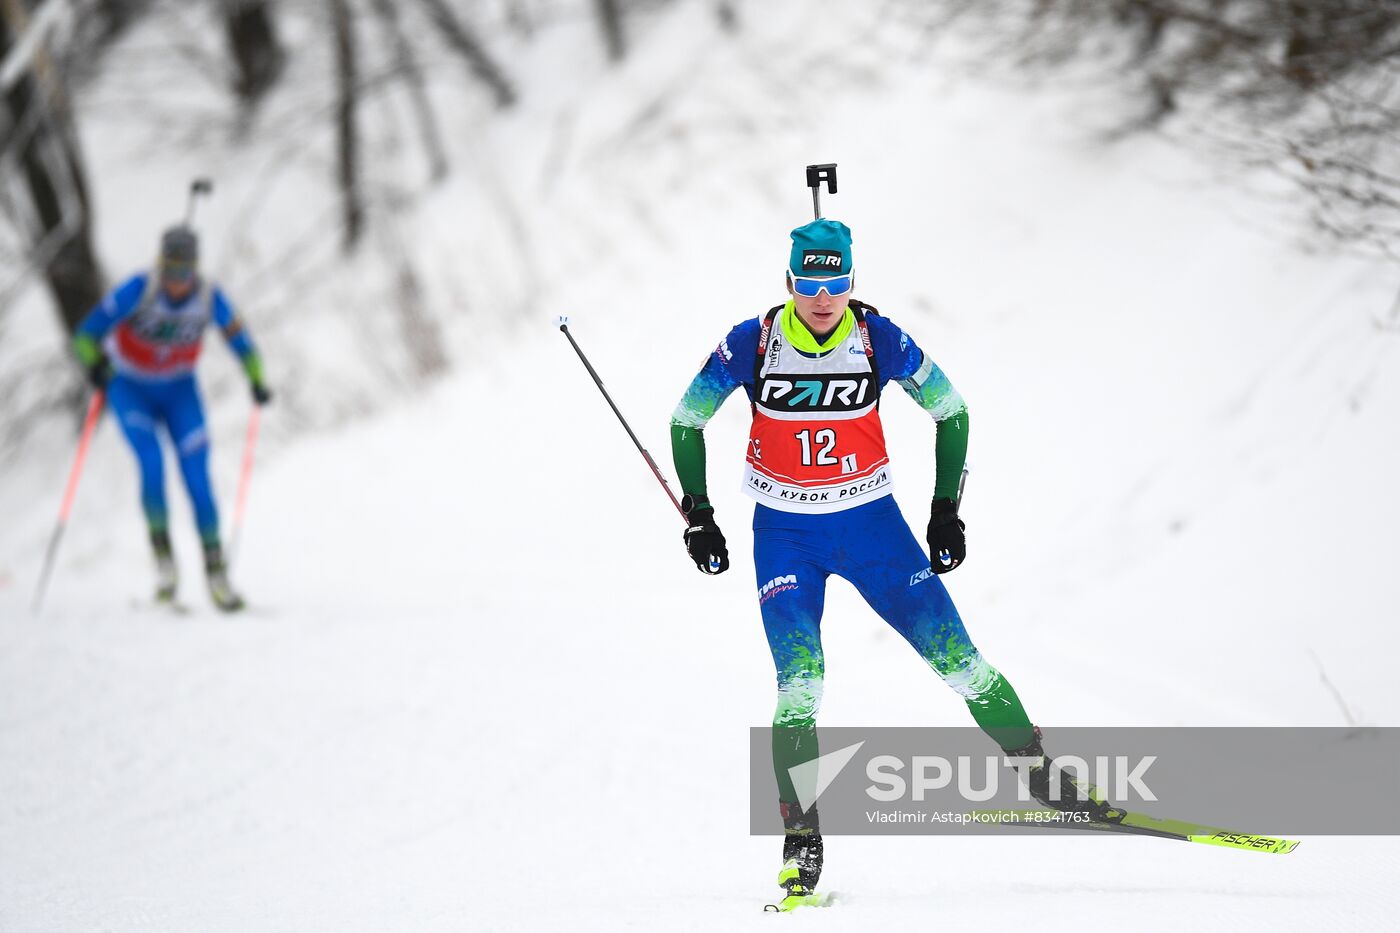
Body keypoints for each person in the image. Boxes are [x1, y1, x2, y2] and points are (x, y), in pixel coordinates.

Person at [670, 218, 1109, 910]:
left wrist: (944, 509)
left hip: (873, 526)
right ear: (789, 282)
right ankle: (801, 841)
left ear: (852, 281)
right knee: (800, 688)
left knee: (962, 664)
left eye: (836, 281)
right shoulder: (752, 342)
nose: (823, 296)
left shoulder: (880, 339)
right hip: (785, 536)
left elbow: (953, 411)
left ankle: (1043, 776)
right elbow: (685, 420)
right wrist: (698, 512)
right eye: (810, 282)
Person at [72, 225, 271, 611]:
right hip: (130, 388)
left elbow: (243, 343)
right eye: (169, 272)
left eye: (183, 273)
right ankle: (165, 568)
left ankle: (216, 574)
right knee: (152, 462)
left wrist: (257, 380)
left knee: (197, 477)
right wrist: (94, 365)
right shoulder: (137, 290)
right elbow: (85, 336)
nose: (175, 282)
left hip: (180, 391)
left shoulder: (210, 297)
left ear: (195, 269)